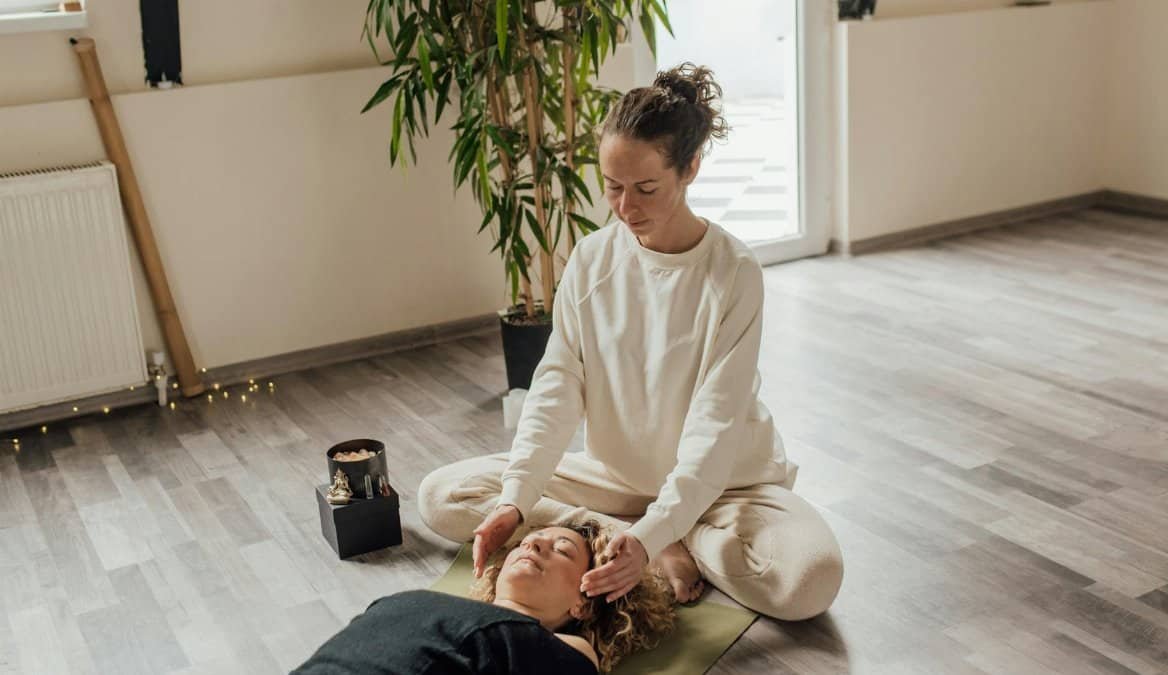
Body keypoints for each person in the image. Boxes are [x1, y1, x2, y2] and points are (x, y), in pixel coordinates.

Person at [419, 62, 844, 621]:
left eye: (646, 189)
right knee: (443, 495)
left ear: (690, 168)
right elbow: (557, 385)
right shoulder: (592, 258)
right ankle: (628, 535)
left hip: (726, 486)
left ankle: (657, 536)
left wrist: (657, 528)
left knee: (810, 579)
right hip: (614, 481)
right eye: (613, 187)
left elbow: (716, 425)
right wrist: (517, 500)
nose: (625, 208)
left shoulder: (733, 272)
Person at [292, 521, 675, 674]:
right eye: (528, 540)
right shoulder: (429, 603)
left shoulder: (567, 649)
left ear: (584, 603)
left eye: (562, 549)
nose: (534, 543)